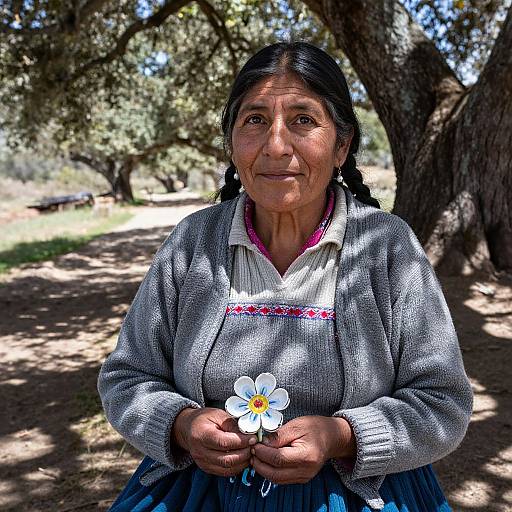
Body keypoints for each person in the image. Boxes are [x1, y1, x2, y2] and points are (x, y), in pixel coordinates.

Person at [97, 41, 473, 511]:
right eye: (254, 120)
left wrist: (342, 436)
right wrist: (181, 425)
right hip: (199, 494)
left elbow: (444, 403)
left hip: (358, 495)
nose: (276, 145)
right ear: (232, 143)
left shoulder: (388, 247)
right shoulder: (194, 242)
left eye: (303, 120)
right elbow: (127, 376)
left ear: (342, 145)